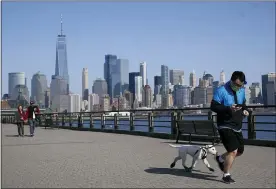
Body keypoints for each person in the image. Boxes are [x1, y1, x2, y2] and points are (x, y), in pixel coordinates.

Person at [210, 71, 250, 184]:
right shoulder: (221, 90)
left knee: (240, 151)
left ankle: (220, 159)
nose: (238, 87)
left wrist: (246, 110)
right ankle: (226, 174)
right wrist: (228, 108)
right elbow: (213, 106)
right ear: (232, 81)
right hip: (224, 124)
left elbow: (243, 104)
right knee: (232, 151)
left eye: (240, 85)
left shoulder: (242, 90)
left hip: (237, 125)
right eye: (236, 84)